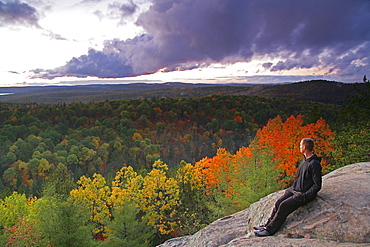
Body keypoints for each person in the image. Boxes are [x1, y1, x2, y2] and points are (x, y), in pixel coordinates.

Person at [254, 138, 322, 237]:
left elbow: (317, 185)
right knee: (278, 202)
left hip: (303, 194)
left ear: (304, 147)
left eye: (300, 145)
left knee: (284, 206)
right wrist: (291, 188)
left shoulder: (314, 164)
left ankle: (269, 230)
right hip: (295, 190)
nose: (299, 147)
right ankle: (266, 225)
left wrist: (305, 195)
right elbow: (299, 177)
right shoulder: (304, 160)